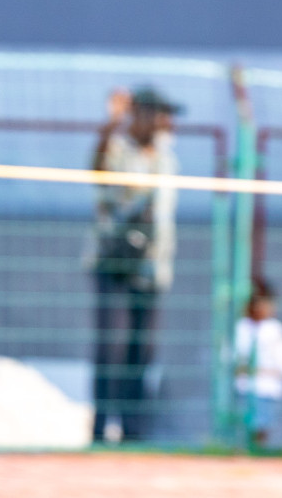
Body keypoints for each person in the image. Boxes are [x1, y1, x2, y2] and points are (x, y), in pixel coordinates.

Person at [86, 86, 180, 443]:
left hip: (152, 269)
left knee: (142, 351)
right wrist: (112, 123)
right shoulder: (119, 148)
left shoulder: (167, 156)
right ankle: (101, 427)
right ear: (140, 113)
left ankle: (134, 430)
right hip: (115, 264)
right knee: (112, 348)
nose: (166, 122)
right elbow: (97, 166)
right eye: (159, 113)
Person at [234, 277, 282, 449]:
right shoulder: (241, 327)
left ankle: (257, 453)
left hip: (270, 389)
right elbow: (234, 360)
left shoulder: (274, 328)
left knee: (264, 428)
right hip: (247, 387)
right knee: (247, 427)